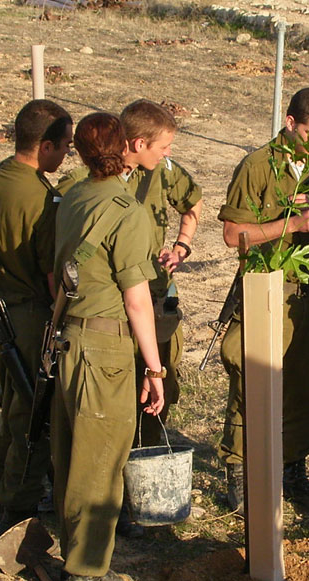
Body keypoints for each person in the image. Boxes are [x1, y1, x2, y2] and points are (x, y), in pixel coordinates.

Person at [217, 87, 309, 518]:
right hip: (266, 288)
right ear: (289, 122)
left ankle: (292, 469)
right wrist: (293, 223)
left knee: (305, 386)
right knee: (250, 378)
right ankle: (239, 470)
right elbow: (232, 233)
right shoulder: (258, 166)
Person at [51, 111, 165, 581]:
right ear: (124, 150)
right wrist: (155, 370)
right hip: (106, 348)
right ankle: (86, 570)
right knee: (100, 462)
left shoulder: (73, 197)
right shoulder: (125, 211)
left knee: (72, 452)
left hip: (68, 337)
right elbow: (137, 301)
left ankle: (75, 549)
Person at [57, 99, 203, 449]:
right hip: (110, 309)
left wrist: (181, 246)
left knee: (157, 392)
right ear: (139, 144)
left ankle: (147, 454)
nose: (168, 153)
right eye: (164, 146)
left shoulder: (164, 171)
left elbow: (194, 204)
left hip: (152, 296)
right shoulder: (84, 181)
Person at [0, 99, 73, 537]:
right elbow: (52, 278)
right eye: (64, 145)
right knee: (34, 419)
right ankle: (15, 509)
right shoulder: (44, 199)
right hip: (31, 319)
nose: (67, 153)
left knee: (13, 404)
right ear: (45, 146)